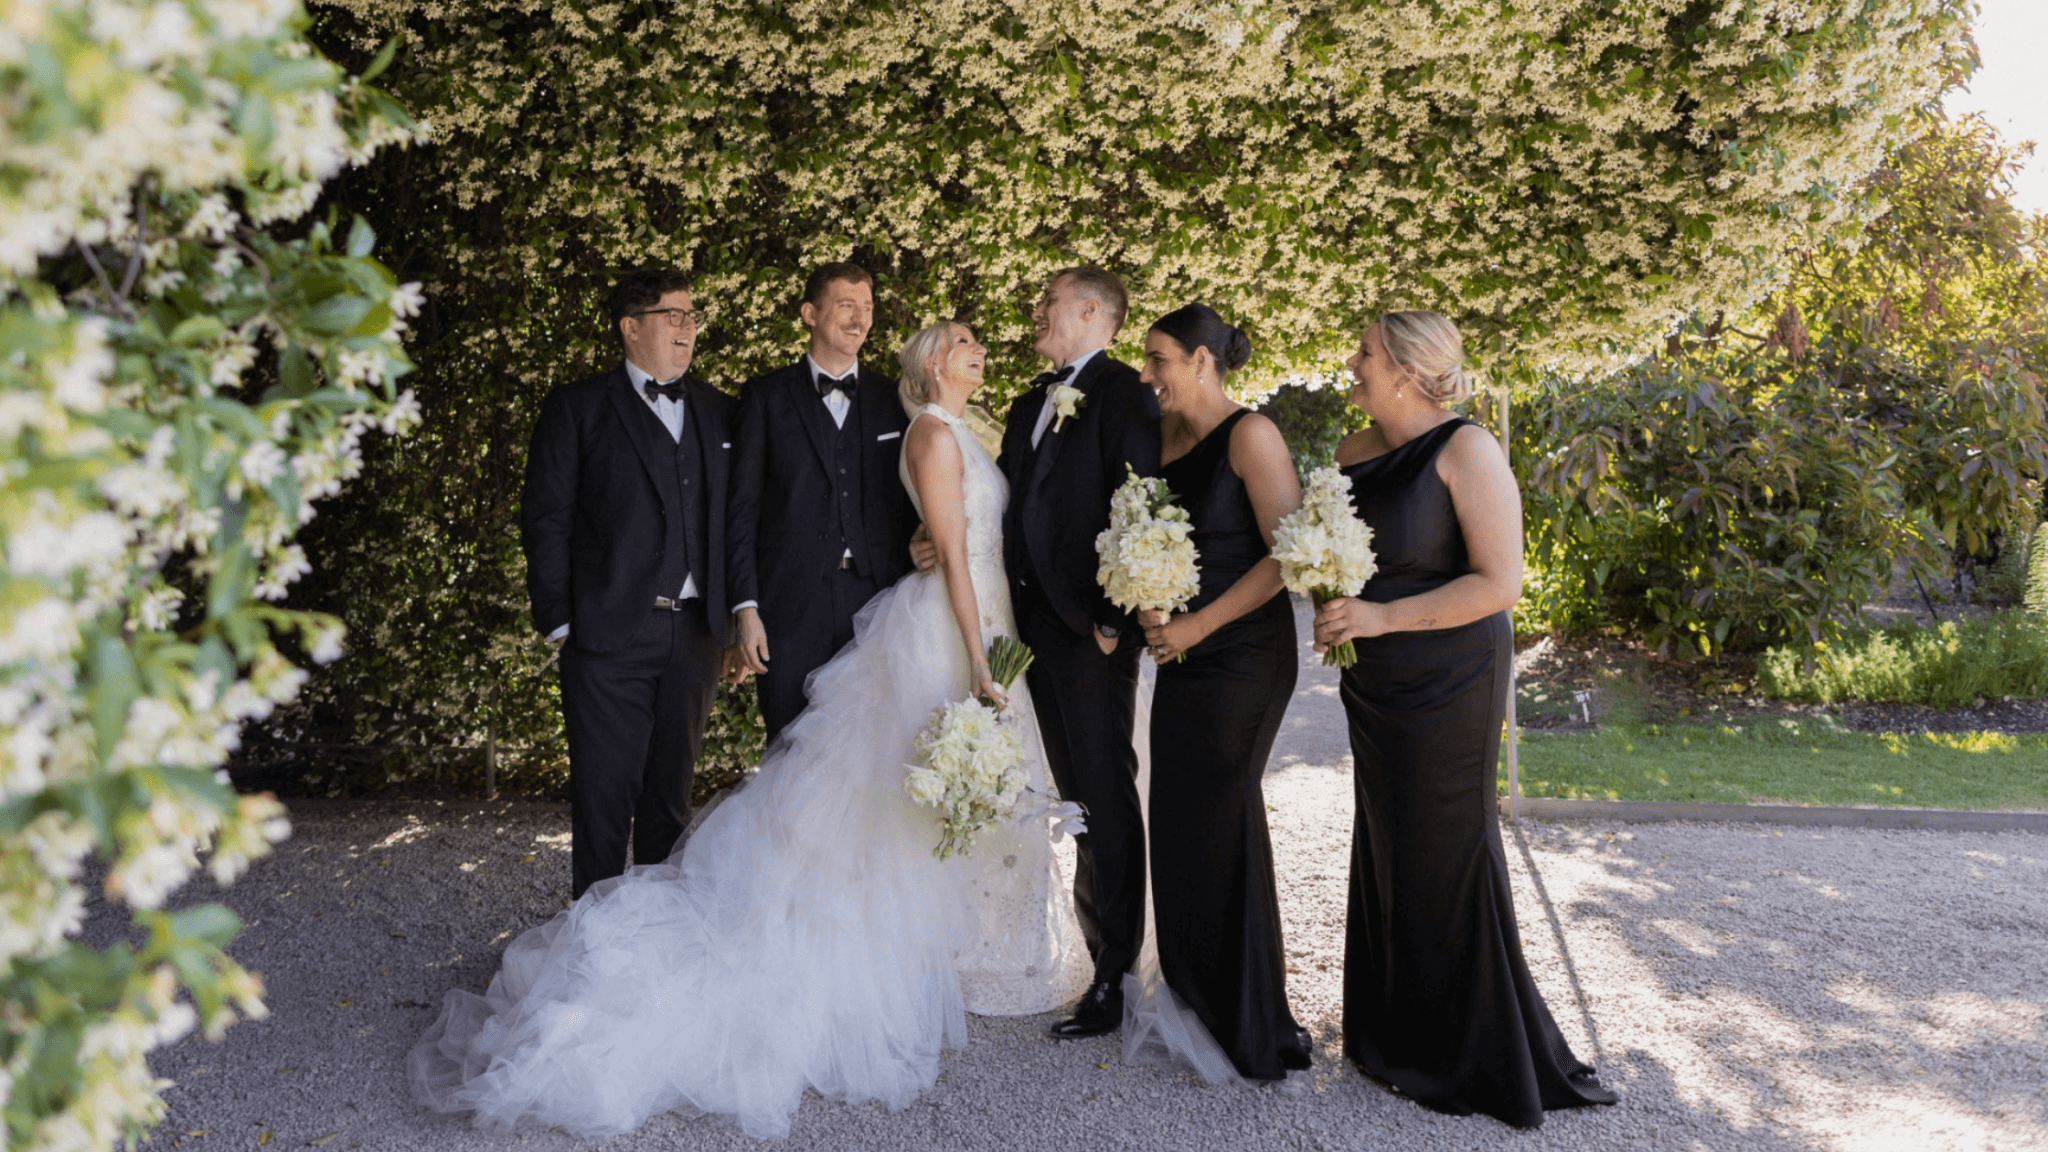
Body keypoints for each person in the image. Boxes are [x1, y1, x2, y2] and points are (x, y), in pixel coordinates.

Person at [411, 322, 1086, 1140]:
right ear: (935, 359)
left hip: (957, 613)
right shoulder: (894, 426)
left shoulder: (952, 427)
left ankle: (960, 954)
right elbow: (759, 510)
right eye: (966, 340)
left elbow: (921, 527)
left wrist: (919, 552)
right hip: (947, 628)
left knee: (919, 788)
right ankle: (618, 928)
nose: (983, 348)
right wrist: (977, 656)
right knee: (898, 787)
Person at [1312, 311, 1617, 1126]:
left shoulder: (1467, 450)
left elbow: (1499, 582)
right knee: (1387, 842)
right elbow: (1339, 560)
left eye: (1366, 353)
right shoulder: (1350, 453)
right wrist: (1334, 604)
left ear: (1409, 371)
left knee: (1447, 847)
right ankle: (1391, 1033)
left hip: (1451, 676)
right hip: (1372, 684)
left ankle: (1470, 1048)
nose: (1353, 362)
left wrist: (1378, 620)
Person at [1128, 304, 1310, 1084]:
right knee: (1175, 818)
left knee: (1223, 817)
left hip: (1243, 654)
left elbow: (1289, 555)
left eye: (1159, 359)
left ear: (1203, 361)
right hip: (1181, 656)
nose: (1148, 375)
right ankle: (1195, 997)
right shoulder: (1169, 439)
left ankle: (1251, 1021)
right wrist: (1146, 603)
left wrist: (1198, 627)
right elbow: (1143, 539)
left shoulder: (1252, 435)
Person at [519, 269, 739, 899]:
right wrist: (560, 620)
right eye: (674, 316)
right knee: (603, 801)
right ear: (631, 327)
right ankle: (593, 953)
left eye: (693, 317)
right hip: (608, 635)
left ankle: (655, 951)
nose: (687, 329)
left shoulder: (720, 410)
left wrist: (735, 617)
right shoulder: (578, 408)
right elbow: (546, 515)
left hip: (696, 634)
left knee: (670, 801)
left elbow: (738, 520)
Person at [995, 266, 1162, 1039]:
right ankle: (1099, 954)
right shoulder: (1033, 400)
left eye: (1050, 302)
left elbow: (1142, 505)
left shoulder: (1126, 393)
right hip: (1034, 634)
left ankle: (1114, 975)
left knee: (1102, 792)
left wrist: (1107, 622)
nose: (1037, 313)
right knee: (1075, 795)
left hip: (1088, 637)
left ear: (1093, 311)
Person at [727, 263, 920, 740]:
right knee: (791, 747)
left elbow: (920, 493)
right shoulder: (764, 397)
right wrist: (746, 610)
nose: (860, 320)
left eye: (868, 309)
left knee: (873, 749)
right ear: (810, 313)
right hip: (789, 606)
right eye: (846, 306)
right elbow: (742, 509)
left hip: (878, 601)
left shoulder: (895, 399)